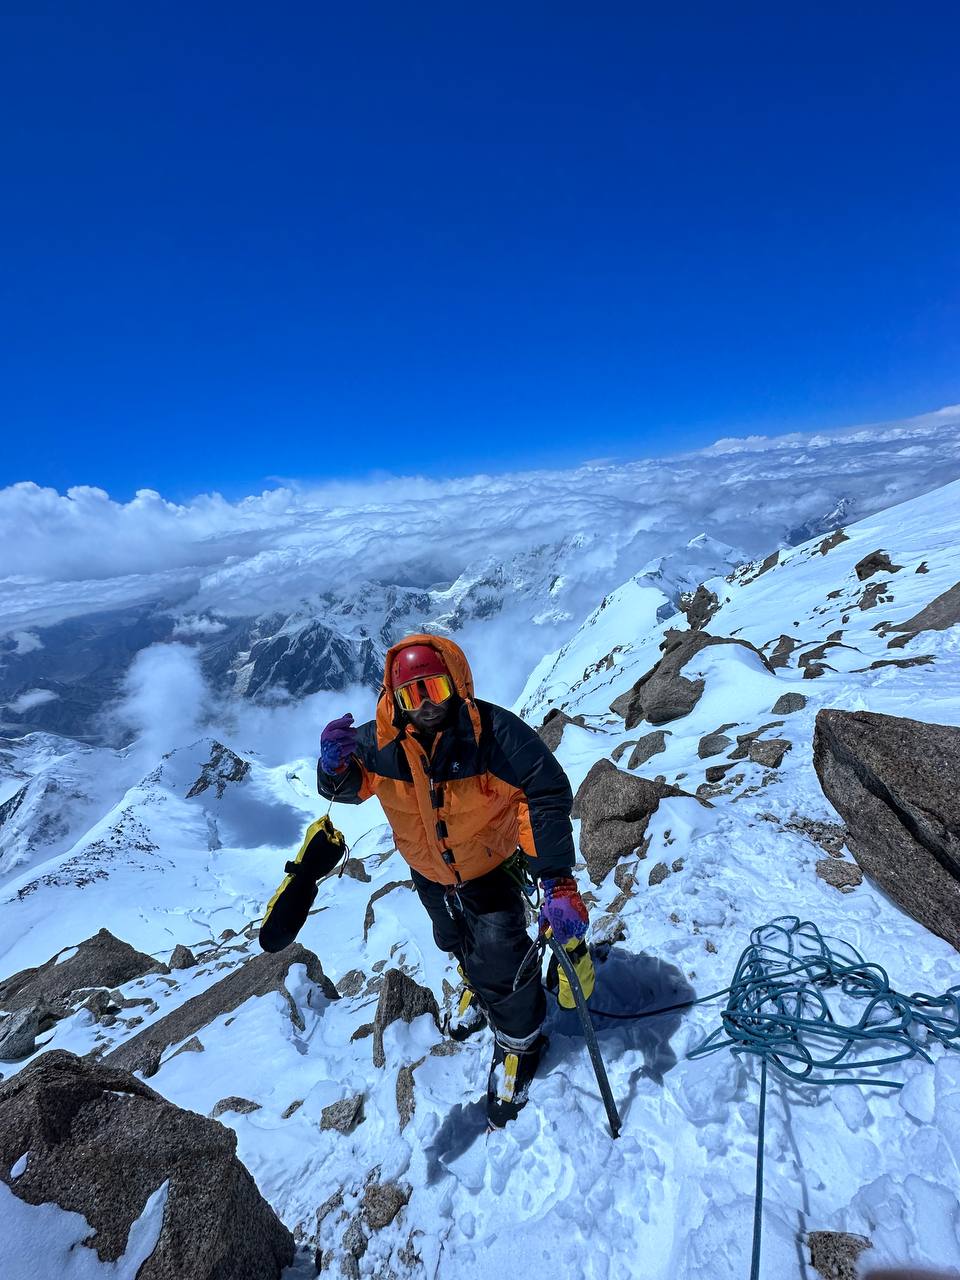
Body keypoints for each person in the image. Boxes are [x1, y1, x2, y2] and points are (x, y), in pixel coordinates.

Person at [315, 634, 594, 1127]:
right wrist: (331, 767)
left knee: (499, 954)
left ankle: (520, 1043)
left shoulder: (492, 735)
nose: (424, 708)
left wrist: (555, 879)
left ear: (456, 687)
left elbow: (544, 791)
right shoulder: (379, 744)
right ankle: (478, 987)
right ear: (392, 699)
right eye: (411, 696)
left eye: (434, 692)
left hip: (488, 867)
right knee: (452, 939)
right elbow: (349, 787)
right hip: (429, 872)